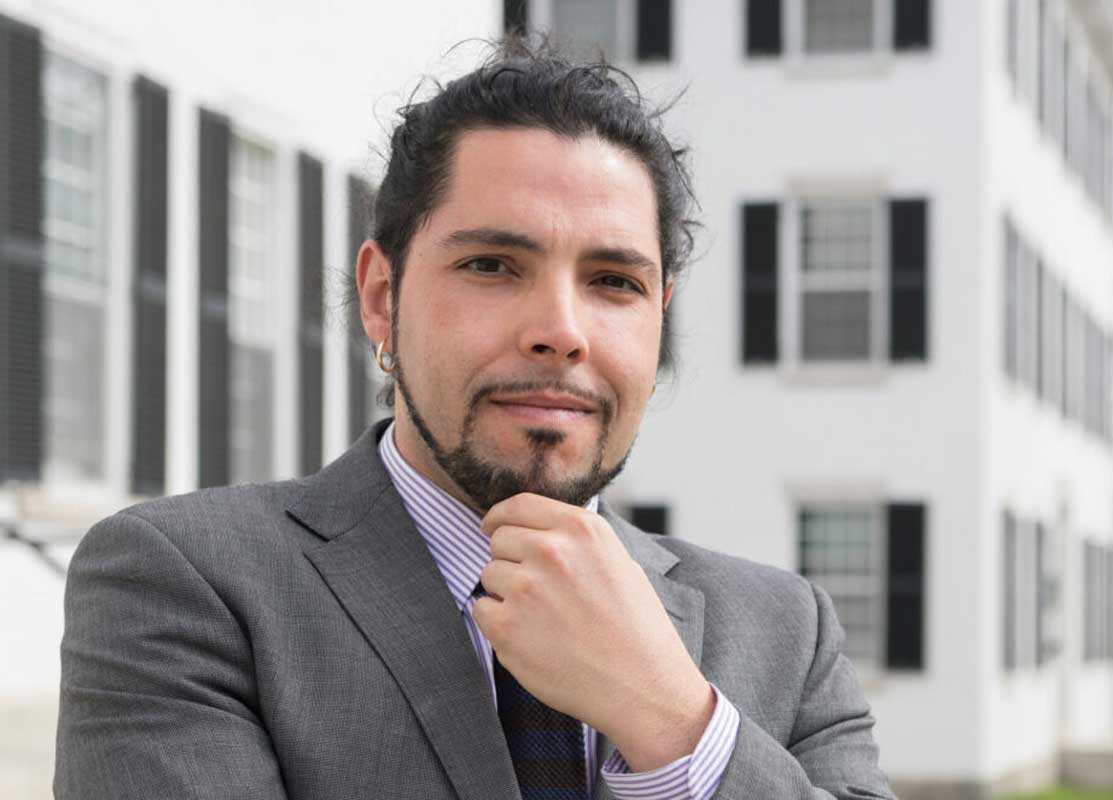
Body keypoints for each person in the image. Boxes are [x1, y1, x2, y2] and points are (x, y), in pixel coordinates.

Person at [55, 38, 895, 800]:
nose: (562, 330)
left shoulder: (788, 632)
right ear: (383, 298)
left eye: (614, 282)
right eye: (492, 265)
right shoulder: (186, 586)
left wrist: (675, 725)